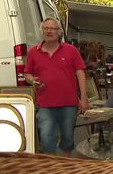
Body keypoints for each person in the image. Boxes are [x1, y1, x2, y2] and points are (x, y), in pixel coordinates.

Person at [25, 18, 90, 155]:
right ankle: (52, 168)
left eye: (53, 29)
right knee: (47, 139)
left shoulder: (71, 50)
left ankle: (65, 167)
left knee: (67, 140)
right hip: (45, 104)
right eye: (46, 28)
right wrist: (32, 81)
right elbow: (27, 74)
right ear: (42, 31)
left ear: (59, 32)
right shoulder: (33, 52)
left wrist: (83, 99)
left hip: (69, 103)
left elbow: (80, 74)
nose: (49, 31)